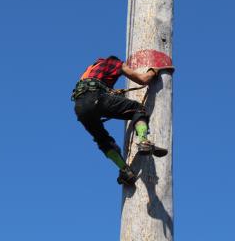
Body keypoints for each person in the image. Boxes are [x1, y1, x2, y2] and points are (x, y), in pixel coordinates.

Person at [71, 55, 174, 186]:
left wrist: (111, 93)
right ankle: (143, 141)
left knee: (102, 140)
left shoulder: (88, 72)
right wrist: (154, 71)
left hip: (80, 108)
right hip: (96, 98)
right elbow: (143, 79)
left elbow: (92, 90)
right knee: (138, 109)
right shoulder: (113, 62)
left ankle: (125, 170)